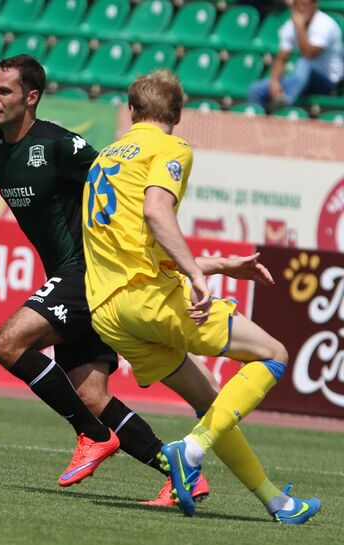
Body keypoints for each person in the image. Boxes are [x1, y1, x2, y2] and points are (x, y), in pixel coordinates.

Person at [0, 55, 262, 504]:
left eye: (4, 91)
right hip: (77, 282)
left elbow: (119, 191)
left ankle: (92, 437)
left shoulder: (60, 146)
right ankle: (178, 472)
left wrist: (183, 259)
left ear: (31, 97)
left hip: (88, 272)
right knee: (91, 395)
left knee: (8, 344)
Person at [81, 69, 321, 523]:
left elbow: (130, 242)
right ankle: (188, 452)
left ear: (133, 111)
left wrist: (216, 265)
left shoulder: (104, 158)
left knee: (212, 401)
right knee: (273, 354)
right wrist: (195, 273)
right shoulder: (172, 148)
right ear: (177, 114)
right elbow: (155, 212)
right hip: (146, 298)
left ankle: (278, 503)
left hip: (108, 312)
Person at [247, 0, 343, 110]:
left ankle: (285, 103)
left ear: (314, 5)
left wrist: (300, 27)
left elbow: (308, 55)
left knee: (304, 63)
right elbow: (281, 58)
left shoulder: (325, 24)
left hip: (328, 82)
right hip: (301, 79)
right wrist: (274, 82)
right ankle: (256, 121)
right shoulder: (290, 26)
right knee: (256, 90)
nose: (301, 9)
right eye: (298, 5)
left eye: (305, 5)